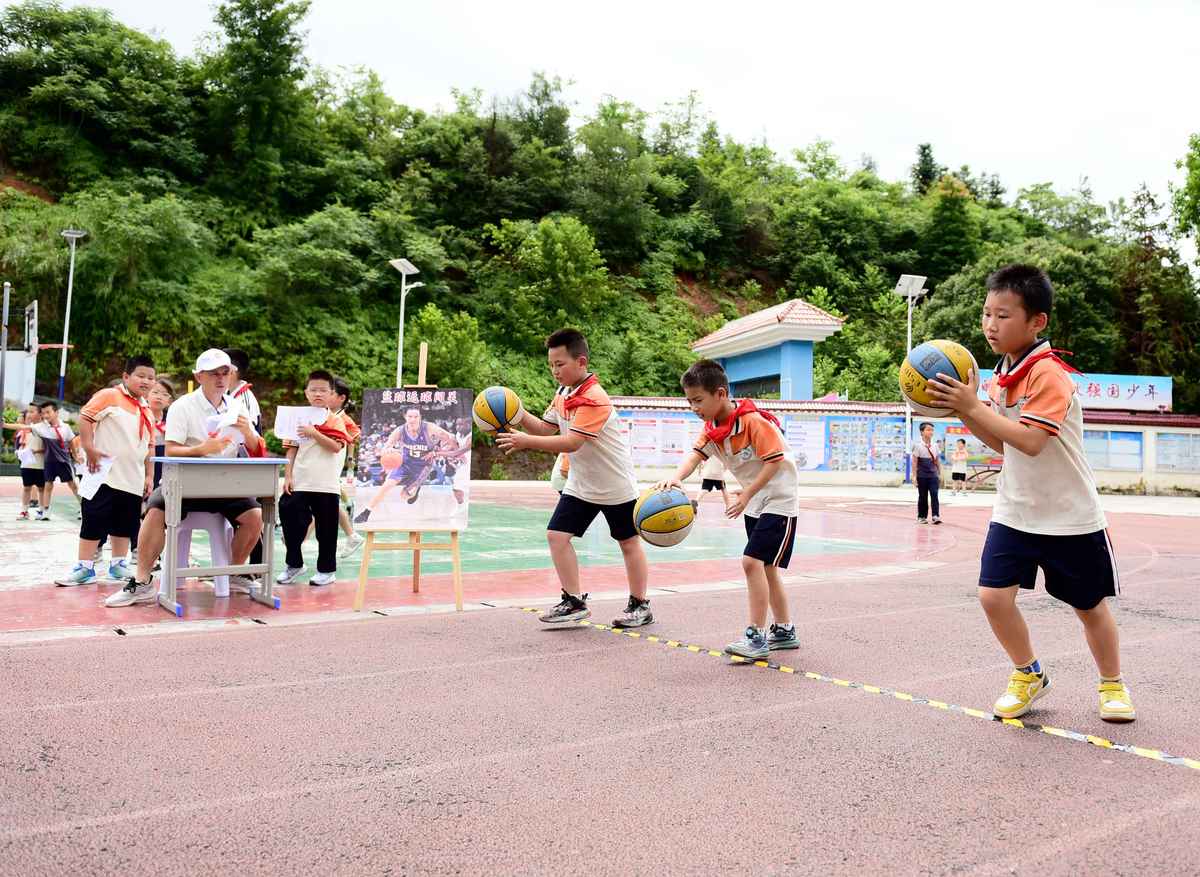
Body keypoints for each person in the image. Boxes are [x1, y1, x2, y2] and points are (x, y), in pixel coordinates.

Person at [926, 263, 1135, 723]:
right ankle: (1028, 674)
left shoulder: (1049, 375)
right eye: (986, 314)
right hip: (1016, 512)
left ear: (1036, 321)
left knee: (1088, 607)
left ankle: (1112, 684)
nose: (989, 325)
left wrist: (970, 405)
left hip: (1070, 515)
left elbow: (1032, 442)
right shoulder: (1002, 373)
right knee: (993, 597)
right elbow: (1003, 443)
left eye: (1002, 316)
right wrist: (967, 412)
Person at [495, 328, 652, 629]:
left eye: (560, 364)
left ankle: (640, 604)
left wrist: (525, 441)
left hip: (614, 484)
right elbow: (545, 427)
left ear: (581, 362)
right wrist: (515, 412)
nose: (554, 371)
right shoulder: (564, 393)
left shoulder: (595, 398)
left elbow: (571, 443)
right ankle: (573, 600)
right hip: (581, 484)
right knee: (556, 536)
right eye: (551, 364)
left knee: (628, 543)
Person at [655, 359, 799, 659]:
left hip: (780, 499)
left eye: (698, 400)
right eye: (689, 401)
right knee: (767, 568)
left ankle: (757, 638)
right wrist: (675, 478)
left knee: (751, 563)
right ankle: (784, 630)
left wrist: (747, 493)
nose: (694, 407)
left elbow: (774, 461)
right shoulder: (712, 429)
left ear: (720, 394)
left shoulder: (753, 422)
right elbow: (694, 457)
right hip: (756, 500)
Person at [104, 348, 267, 608]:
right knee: (155, 510)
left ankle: (233, 572)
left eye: (225, 373)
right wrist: (201, 449)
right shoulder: (183, 406)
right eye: (214, 373)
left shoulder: (237, 406)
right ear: (199, 376)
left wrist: (247, 431)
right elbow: (171, 450)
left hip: (226, 483)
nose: (221, 378)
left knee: (255, 517)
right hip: (186, 482)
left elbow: (258, 449)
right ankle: (143, 581)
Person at [58, 356, 157, 586]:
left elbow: (149, 446)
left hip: (132, 477)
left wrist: (150, 475)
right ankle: (85, 567)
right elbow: (85, 417)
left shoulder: (146, 409)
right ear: (126, 376)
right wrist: (89, 448)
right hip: (103, 472)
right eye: (140, 375)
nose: (146, 381)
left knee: (126, 522)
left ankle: (118, 565)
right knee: (94, 517)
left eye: (150, 378)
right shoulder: (109, 396)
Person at [276, 370, 360, 586]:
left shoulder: (335, 420)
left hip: (326, 483)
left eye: (323, 390)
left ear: (331, 393)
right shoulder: (297, 418)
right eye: (313, 390)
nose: (318, 394)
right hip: (300, 480)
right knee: (288, 514)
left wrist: (313, 433)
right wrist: (288, 476)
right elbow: (291, 449)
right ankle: (294, 564)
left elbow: (335, 447)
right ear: (306, 393)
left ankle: (326, 570)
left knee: (326, 529)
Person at [353, 407, 464, 523]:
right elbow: (386, 446)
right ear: (405, 417)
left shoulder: (430, 428)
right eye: (410, 417)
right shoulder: (400, 431)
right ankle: (366, 512)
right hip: (405, 463)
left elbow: (450, 437)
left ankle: (416, 489)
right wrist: (388, 450)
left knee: (405, 496)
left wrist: (458, 453)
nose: (413, 419)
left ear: (420, 417)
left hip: (423, 467)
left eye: (416, 417)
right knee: (387, 485)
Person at [330, 375, 365, 560]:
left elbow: (357, 436)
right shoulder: (326, 415)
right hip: (322, 468)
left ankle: (299, 541)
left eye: (330, 392)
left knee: (324, 503)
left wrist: (350, 457)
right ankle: (352, 535)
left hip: (331, 466)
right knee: (328, 504)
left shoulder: (343, 419)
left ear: (341, 398)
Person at [32, 401, 81, 520]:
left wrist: (75, 456)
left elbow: (71, 442)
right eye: (43, 413)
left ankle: (84, 507)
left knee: (73, 485)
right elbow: (24, 427)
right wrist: (5, 425)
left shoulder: (65, 427)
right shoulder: (41, 427)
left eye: (48, 412)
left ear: (56, 412)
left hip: (64, 461)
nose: (45, 415)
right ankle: (45, 511)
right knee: (48, 485)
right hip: (49, 461)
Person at [12, 405, 44, 519]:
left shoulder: (45, 428)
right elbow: (19, 428)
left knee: (41, 489)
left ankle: (41, 511)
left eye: (32, 411)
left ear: (40, 414)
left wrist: (37, 450)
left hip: (41, 464)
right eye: (28, 412)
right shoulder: (26, 428)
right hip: (27, 462)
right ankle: (24, 511)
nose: (29, 414)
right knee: (26, 487)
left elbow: (49, 448)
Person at [224, 348, 262, 433]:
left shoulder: (244, 400)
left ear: (232, 372)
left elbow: (249, 436)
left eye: (222, 370)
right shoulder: (226, 393)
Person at [911, 422, 941, 524]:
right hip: (922, 476)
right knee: (922, 496)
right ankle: (922, 516)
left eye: (932, 430)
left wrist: (939, 474)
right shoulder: (917, 446)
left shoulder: (935, 445)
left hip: (933, 475)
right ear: (922, 432)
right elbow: (914, 462)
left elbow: (937, 461)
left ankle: (935, 516)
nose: (931, 432)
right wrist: (914, 476)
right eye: (928, 430)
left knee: (934, 495)